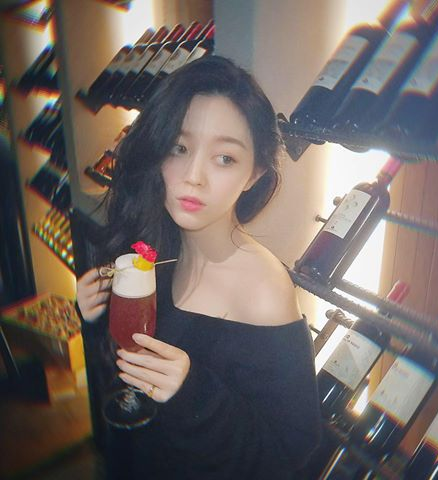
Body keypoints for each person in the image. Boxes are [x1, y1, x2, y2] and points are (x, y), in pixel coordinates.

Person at [76, 55, 322, 479]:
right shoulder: (157, 250)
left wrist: (192, 393)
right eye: (180, 148)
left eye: (224, 158)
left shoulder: (264, 289)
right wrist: (97, 317)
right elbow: (126, 380)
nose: (193, 176)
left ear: (254, 174)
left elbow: (289, 453)